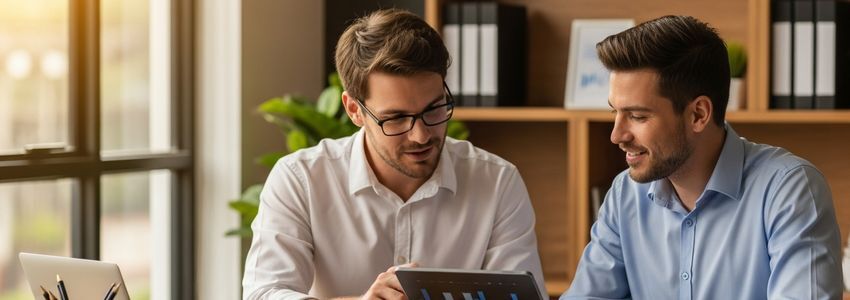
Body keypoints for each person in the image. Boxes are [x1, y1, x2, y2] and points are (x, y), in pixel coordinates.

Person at [242, 8, 546, 300]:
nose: (421, 135)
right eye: (396, 118)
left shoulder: (497, 181)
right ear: (354, 110)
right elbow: (263, 294)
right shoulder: (301, 179)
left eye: (434, 109)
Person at [563, 15, 844, 299]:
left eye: (637, 116)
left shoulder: (789, 191)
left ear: (698, 114)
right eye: (615, 112)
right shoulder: (625, 194)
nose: (616, 135)